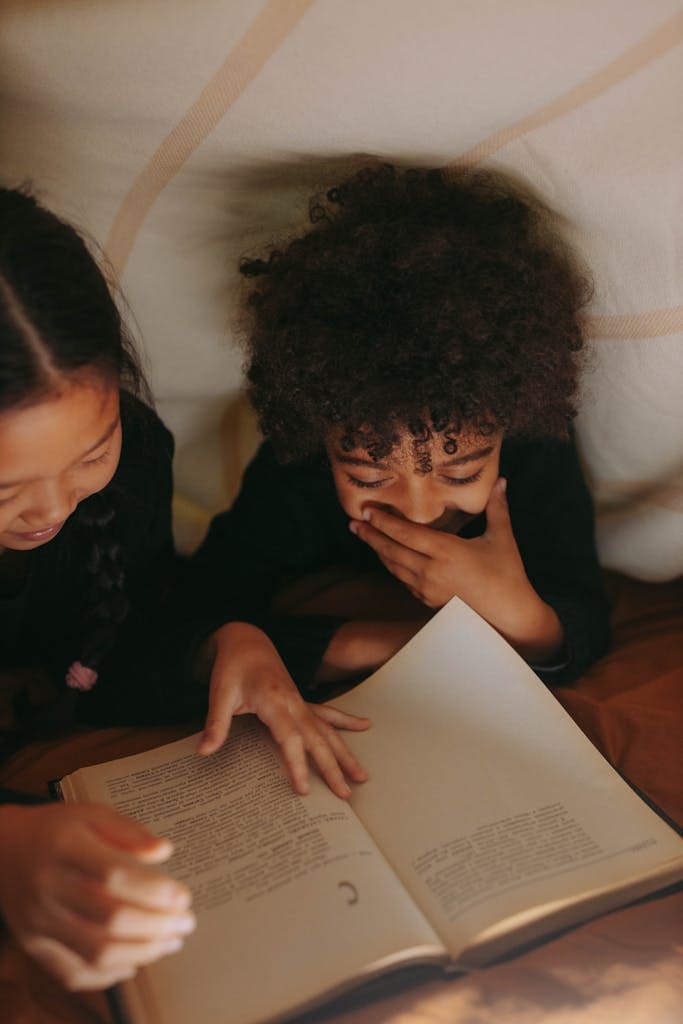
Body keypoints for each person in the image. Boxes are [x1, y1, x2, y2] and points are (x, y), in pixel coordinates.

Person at [0, 187, 366, 991]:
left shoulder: (130, 469)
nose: (55, 509)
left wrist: (220, 644)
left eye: (89, 455)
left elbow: (118, 636)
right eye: (4, 490)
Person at [190, 163, 610, 714]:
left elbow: (582, 614)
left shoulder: (533, 447)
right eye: (368, 477)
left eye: (460, 473)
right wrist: (392, 643)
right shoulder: (299, 468)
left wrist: (517, 613)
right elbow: (202, 605)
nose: (418, 508)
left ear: (511, 421)